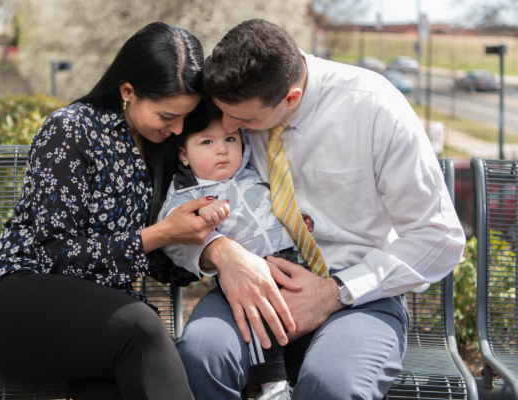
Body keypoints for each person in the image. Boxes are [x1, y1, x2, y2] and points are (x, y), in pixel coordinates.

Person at [175, 19, 466, 400]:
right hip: (257, 281)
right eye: (224, 114)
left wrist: (333, 292)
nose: (229, 129)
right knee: (199, 356)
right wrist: (221, 252)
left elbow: (439, 237)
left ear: (291, 98)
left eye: (245, 121)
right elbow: (177, 211)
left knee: (332, 385)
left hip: (360, 294)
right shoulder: (237, 107)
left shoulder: (374, 107)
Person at [0, 22, 218, 400]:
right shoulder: (71, 131)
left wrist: (205, 240)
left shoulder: (163, 150)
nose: (178, 128)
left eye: (186, 116)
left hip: (98, 325)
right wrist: (161, 233)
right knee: (143, 328)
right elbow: (54, 255)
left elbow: (161, 266)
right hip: (18, 303)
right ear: (127, 91)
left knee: (114, 386)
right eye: (167, 116)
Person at [158, 110, 318, 400]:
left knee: (298, 323)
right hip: (248, 274)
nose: (222, 149)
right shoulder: (188, 193)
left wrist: (300, 220)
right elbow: (171, 222)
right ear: (184, 155)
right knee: (258, 318)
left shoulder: (250, 174)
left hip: (293, 262)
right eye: (206, 142)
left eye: (230, 139)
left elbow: (278, 205)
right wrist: (201, 213)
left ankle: (298, 378)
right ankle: (274, 385)